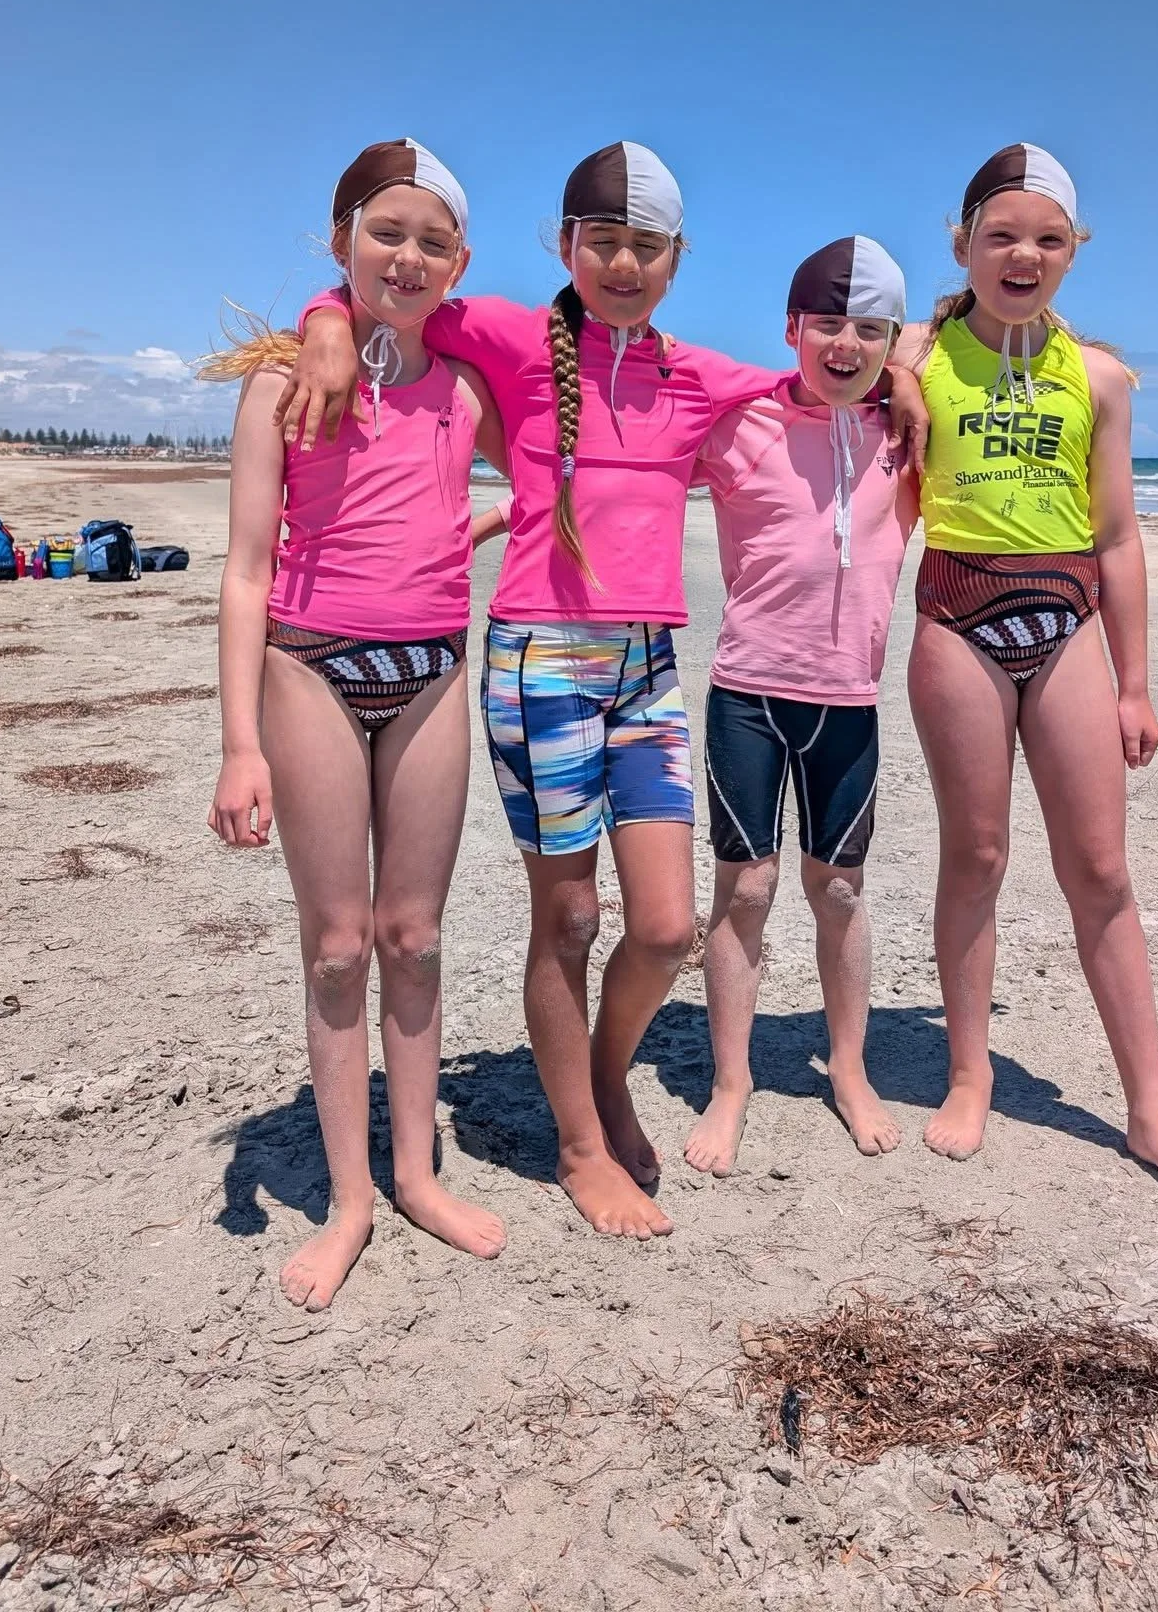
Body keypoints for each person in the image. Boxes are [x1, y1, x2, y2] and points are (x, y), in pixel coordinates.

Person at [277, 144, 926, 1239]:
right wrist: (327, 327)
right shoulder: (517, 337)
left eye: (648, 246)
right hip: (540, 658)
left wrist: (901, 367)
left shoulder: (699, 372)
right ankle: (580, 1142)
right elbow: (393, 295)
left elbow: (823, 375)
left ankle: (601, 1075)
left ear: (677, 259)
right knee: (569, 913)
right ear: (566, 245)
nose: (624, 262)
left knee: (668, 924)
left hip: (647, 664)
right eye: (603, 241)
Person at [894, 143, 1158, 1213]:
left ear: (1073, 252)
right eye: (1001, 236)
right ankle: (968, 1070)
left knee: (1099, 868)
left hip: (1067, 619)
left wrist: (1136, 681)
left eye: (1047, 238)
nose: (1023, 254)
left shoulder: (1099, 376)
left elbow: (1121, 535)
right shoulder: (916, 350)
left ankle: (1151, 1111)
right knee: (978, 852)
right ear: (963, 245)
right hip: (956, 614)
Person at [204, 140, 511, 1309]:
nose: (409, 254)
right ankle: (350, 1197)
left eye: (434, 240)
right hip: (310, 668)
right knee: (336, 944)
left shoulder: (468, 385)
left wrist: (478, 525)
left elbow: (568, 445)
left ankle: (420, 1172)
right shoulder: (282, 382)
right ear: (340, 240)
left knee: (414, 935)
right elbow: (242, 570)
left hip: (431, 667)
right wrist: (240, 741)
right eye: (386, 231)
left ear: (460, 263)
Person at [684, 237, 918, 1177]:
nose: (845, 344)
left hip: (846, 700)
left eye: (869, 330)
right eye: (827, 323)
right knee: (744, 889)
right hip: (746, 690)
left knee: (842, 889)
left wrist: (908, 371)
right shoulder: (737, 426)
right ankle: (731, 1082)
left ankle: (849, 1069)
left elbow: (977, 325)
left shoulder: (912, 433)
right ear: (792, 329)